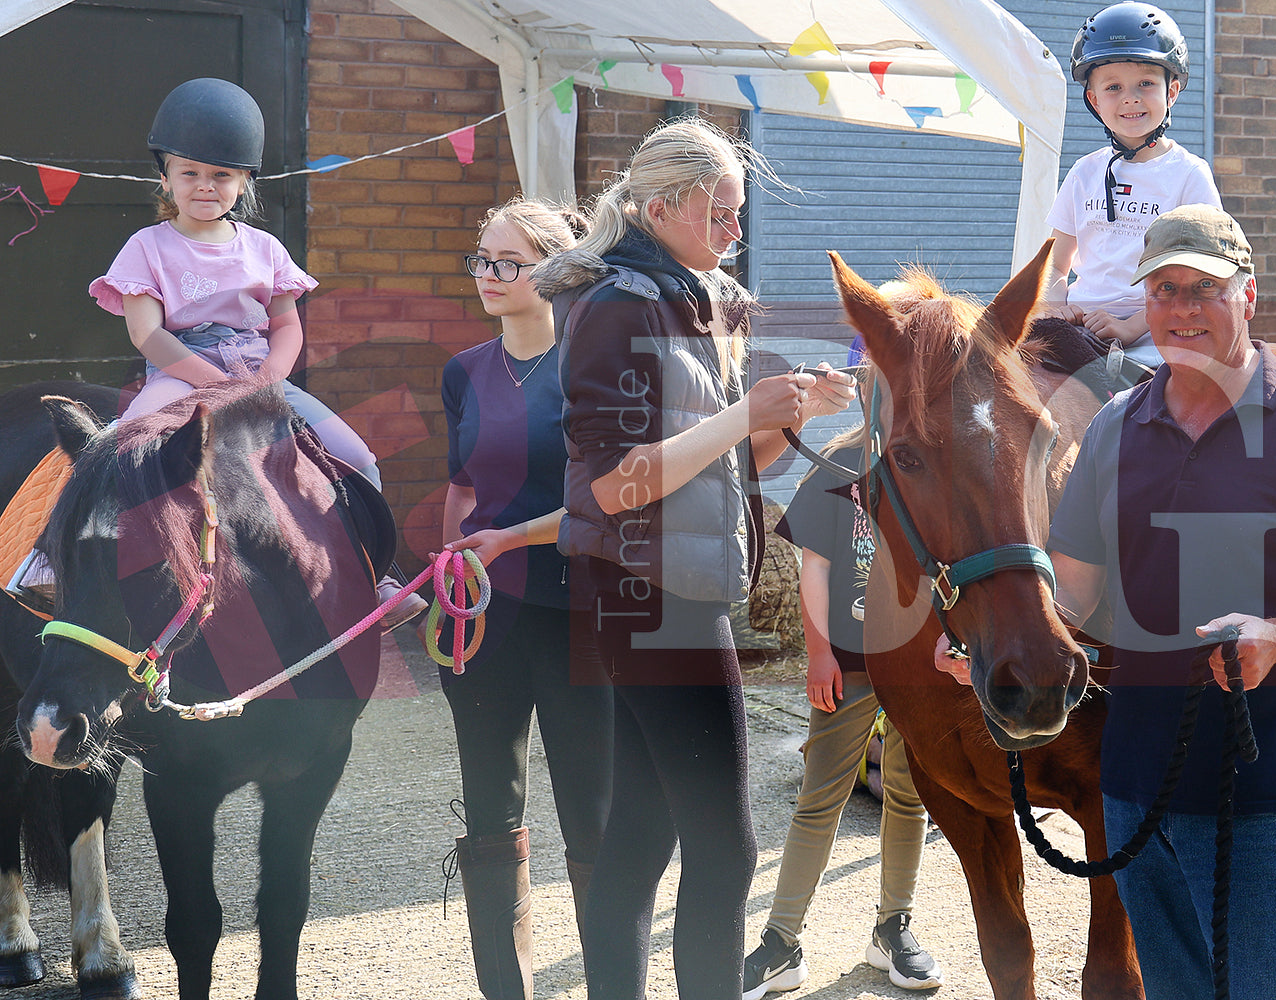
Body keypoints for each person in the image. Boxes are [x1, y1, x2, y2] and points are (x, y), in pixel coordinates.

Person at [939, 205, 1276, 999]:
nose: (1183, 308)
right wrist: (989, 640)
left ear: (1249, 295)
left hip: (1267, 798)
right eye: (1165, 290)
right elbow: (1077, 587)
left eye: (1206, 288)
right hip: (1137, 790)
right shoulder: (1116, 428)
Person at [533, 117, 856, 999]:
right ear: (662, 205)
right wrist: (742, 414)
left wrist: (790, 418)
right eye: (721, 212)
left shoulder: (690, 296)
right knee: (726, 843)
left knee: (643, 830)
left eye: (738, 213)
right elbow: (604, 488)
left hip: (668, 585)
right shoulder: (616, 307)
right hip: (648, 593)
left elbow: (721, 465)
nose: (736, 232)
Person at [80, 77, 425, 630]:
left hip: (258, 371)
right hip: (181, 372)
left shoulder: (265, 249)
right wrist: (215, 385)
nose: (204, 186)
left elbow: (286, 325)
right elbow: (148, 335)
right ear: (165, 175)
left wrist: (268, 379)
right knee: (123, 452)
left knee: (357, 457)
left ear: (244, 181)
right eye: (189, 172)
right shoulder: (146, 246)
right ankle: (55, 562)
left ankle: (372, 573)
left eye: (221, 175)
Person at [435, 199, 609, 999]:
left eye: (510, 262)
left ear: (555, 273)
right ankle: (505, 989)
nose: (490, 276)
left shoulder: (592, 368)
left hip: (581, 615)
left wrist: (508, 541)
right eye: (483, 258)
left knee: (591, 808)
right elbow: (463, 485)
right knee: (489, 804)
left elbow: (606, 499)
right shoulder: (463, 371)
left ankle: (615, 978)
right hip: (485, 620)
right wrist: (446, 575)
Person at [743, 408, 942, 1000]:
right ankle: (781, 944)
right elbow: (816, 567)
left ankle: (893, 928)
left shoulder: (940, 459)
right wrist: (820, 653)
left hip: (920, 663)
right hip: (849, 663)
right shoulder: (837, 466)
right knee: (819, 797)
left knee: (909, 796)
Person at [1045, 2, 1222, 369]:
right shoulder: (1083, 173)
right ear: (1094, 99)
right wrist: (1054, 308)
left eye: (1145, 83)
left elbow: (1203, 275)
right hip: (1082, 329)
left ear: (1171, 92)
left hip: (1160, 335)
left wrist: (1129, 328)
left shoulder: (1189, 175)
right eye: (1113, 87)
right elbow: (1055, 265)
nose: (1130, 97)